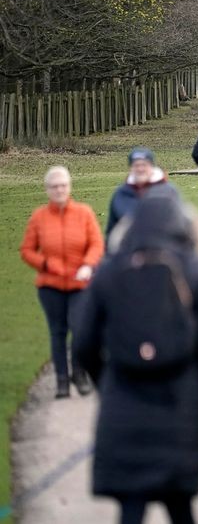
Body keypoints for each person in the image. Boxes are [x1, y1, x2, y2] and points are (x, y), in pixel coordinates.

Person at [74, 196, 198, 524]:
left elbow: (82, 342)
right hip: (181, 401)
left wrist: (105, 378)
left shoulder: (110, 271)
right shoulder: (194, 269)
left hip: (124, 397)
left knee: (130, 507)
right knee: (180, 506)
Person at [20, 166, 103, 399]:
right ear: (47, 190)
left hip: (80, 284)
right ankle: (61, 382)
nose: (59, 190)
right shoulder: (39, 217)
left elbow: (97, 244)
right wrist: (45, 264)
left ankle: (78, 372)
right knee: (57, 332)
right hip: (50, 286)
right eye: (54, 186)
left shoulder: (84, 213)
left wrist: (88, 264)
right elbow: (27, 250)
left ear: (69, 187)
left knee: (80, 329)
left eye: (63, 185)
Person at [106, 147, 178, 239]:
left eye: (144, 165)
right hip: (130, 247)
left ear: (152, 167)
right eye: (136, 165)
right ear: (131, 168)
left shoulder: (168, 191)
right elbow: (112, 232)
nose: (140, 169)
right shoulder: (121, 194)